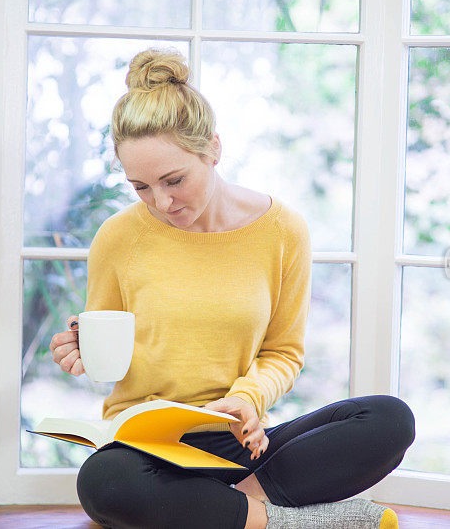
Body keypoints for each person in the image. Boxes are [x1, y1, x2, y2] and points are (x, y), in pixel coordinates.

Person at [48, 47, 415, 529]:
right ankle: (290, 521)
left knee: (389, 420)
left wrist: (247, 400)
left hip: (240, 440)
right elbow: (109, 354)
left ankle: (229, 509)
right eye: (140, 187)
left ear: (213, 149)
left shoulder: (282, 231)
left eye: (174, 179)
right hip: (146, 448)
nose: (162, 201)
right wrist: (80, 351)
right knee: (105, 483)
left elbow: (284, 352)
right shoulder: (117, 238)